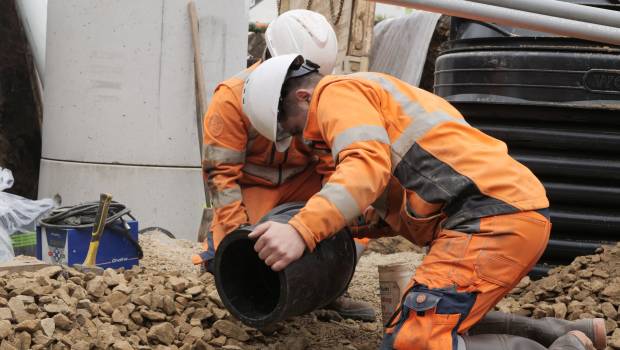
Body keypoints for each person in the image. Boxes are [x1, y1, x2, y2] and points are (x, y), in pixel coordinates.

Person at [240, 54, 606, 350]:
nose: (302, 139)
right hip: (498, 215)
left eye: (293, 128)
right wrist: (333, 223)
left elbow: (364, 167)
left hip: (490, 219)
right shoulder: (375, 102)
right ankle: (559, 331)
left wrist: (301, 230)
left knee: (413, 342)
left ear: (303, 98)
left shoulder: (336, 94)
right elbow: (396, 197)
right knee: (418, 316)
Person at [192, 10, 374, 321]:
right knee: (240, 249)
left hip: (305, 188)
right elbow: (221, 178)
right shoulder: (231, 100)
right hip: (252, 193)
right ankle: (221, 265)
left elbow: (336, 169)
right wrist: (238, 240)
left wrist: (326, 224)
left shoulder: (318, 98)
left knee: (351, 222)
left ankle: (330, 290)